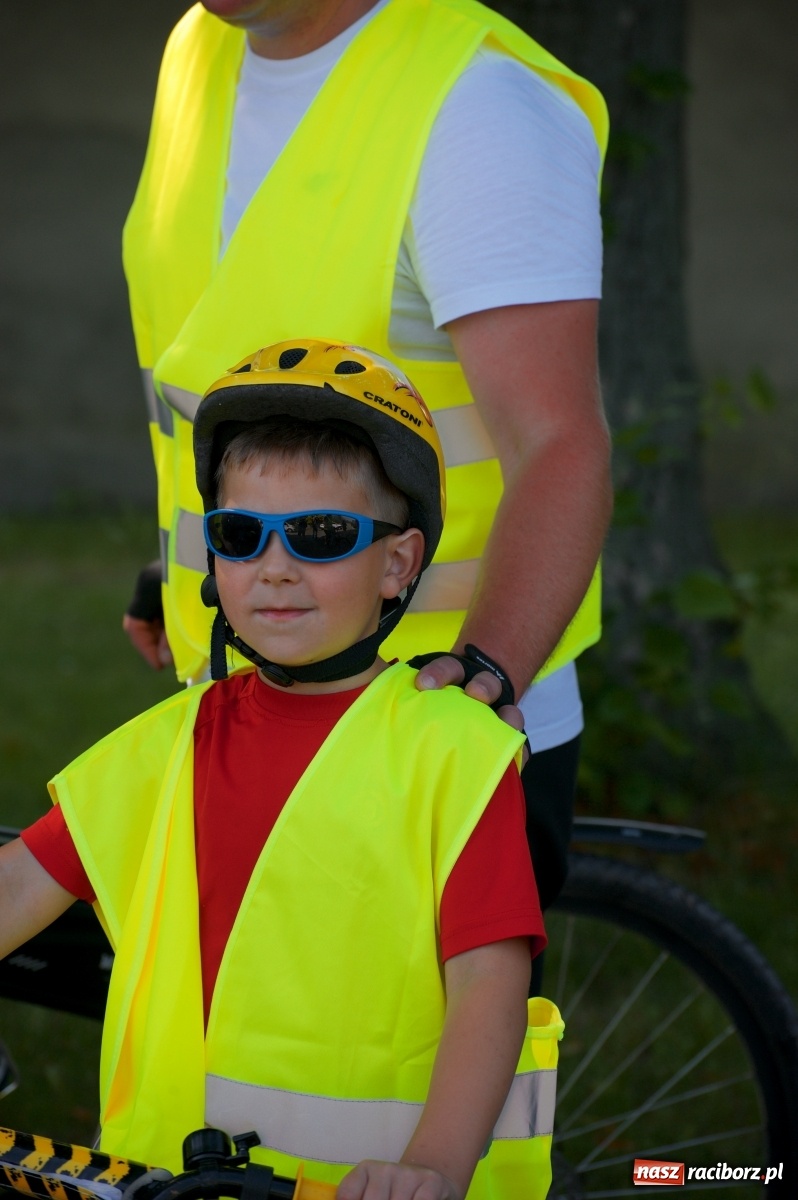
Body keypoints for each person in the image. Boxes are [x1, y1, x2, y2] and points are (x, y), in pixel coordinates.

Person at [1, 342, 561, 1200]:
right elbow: (16, 889)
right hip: (163, 1181)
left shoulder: (452, 752)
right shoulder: (166, 746)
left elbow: (489, 977)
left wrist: (436, 1166)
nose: (274, 566)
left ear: (398, 566)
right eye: (240, 534)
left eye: (322, 535)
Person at [122, 0, 613, 910]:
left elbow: (560, 443)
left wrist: (480, 687)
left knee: (428, 1054)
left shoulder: (479, 105)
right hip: (236, 705)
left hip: (427, 735)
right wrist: (186, 562)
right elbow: (218, 358)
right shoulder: (199, 51)